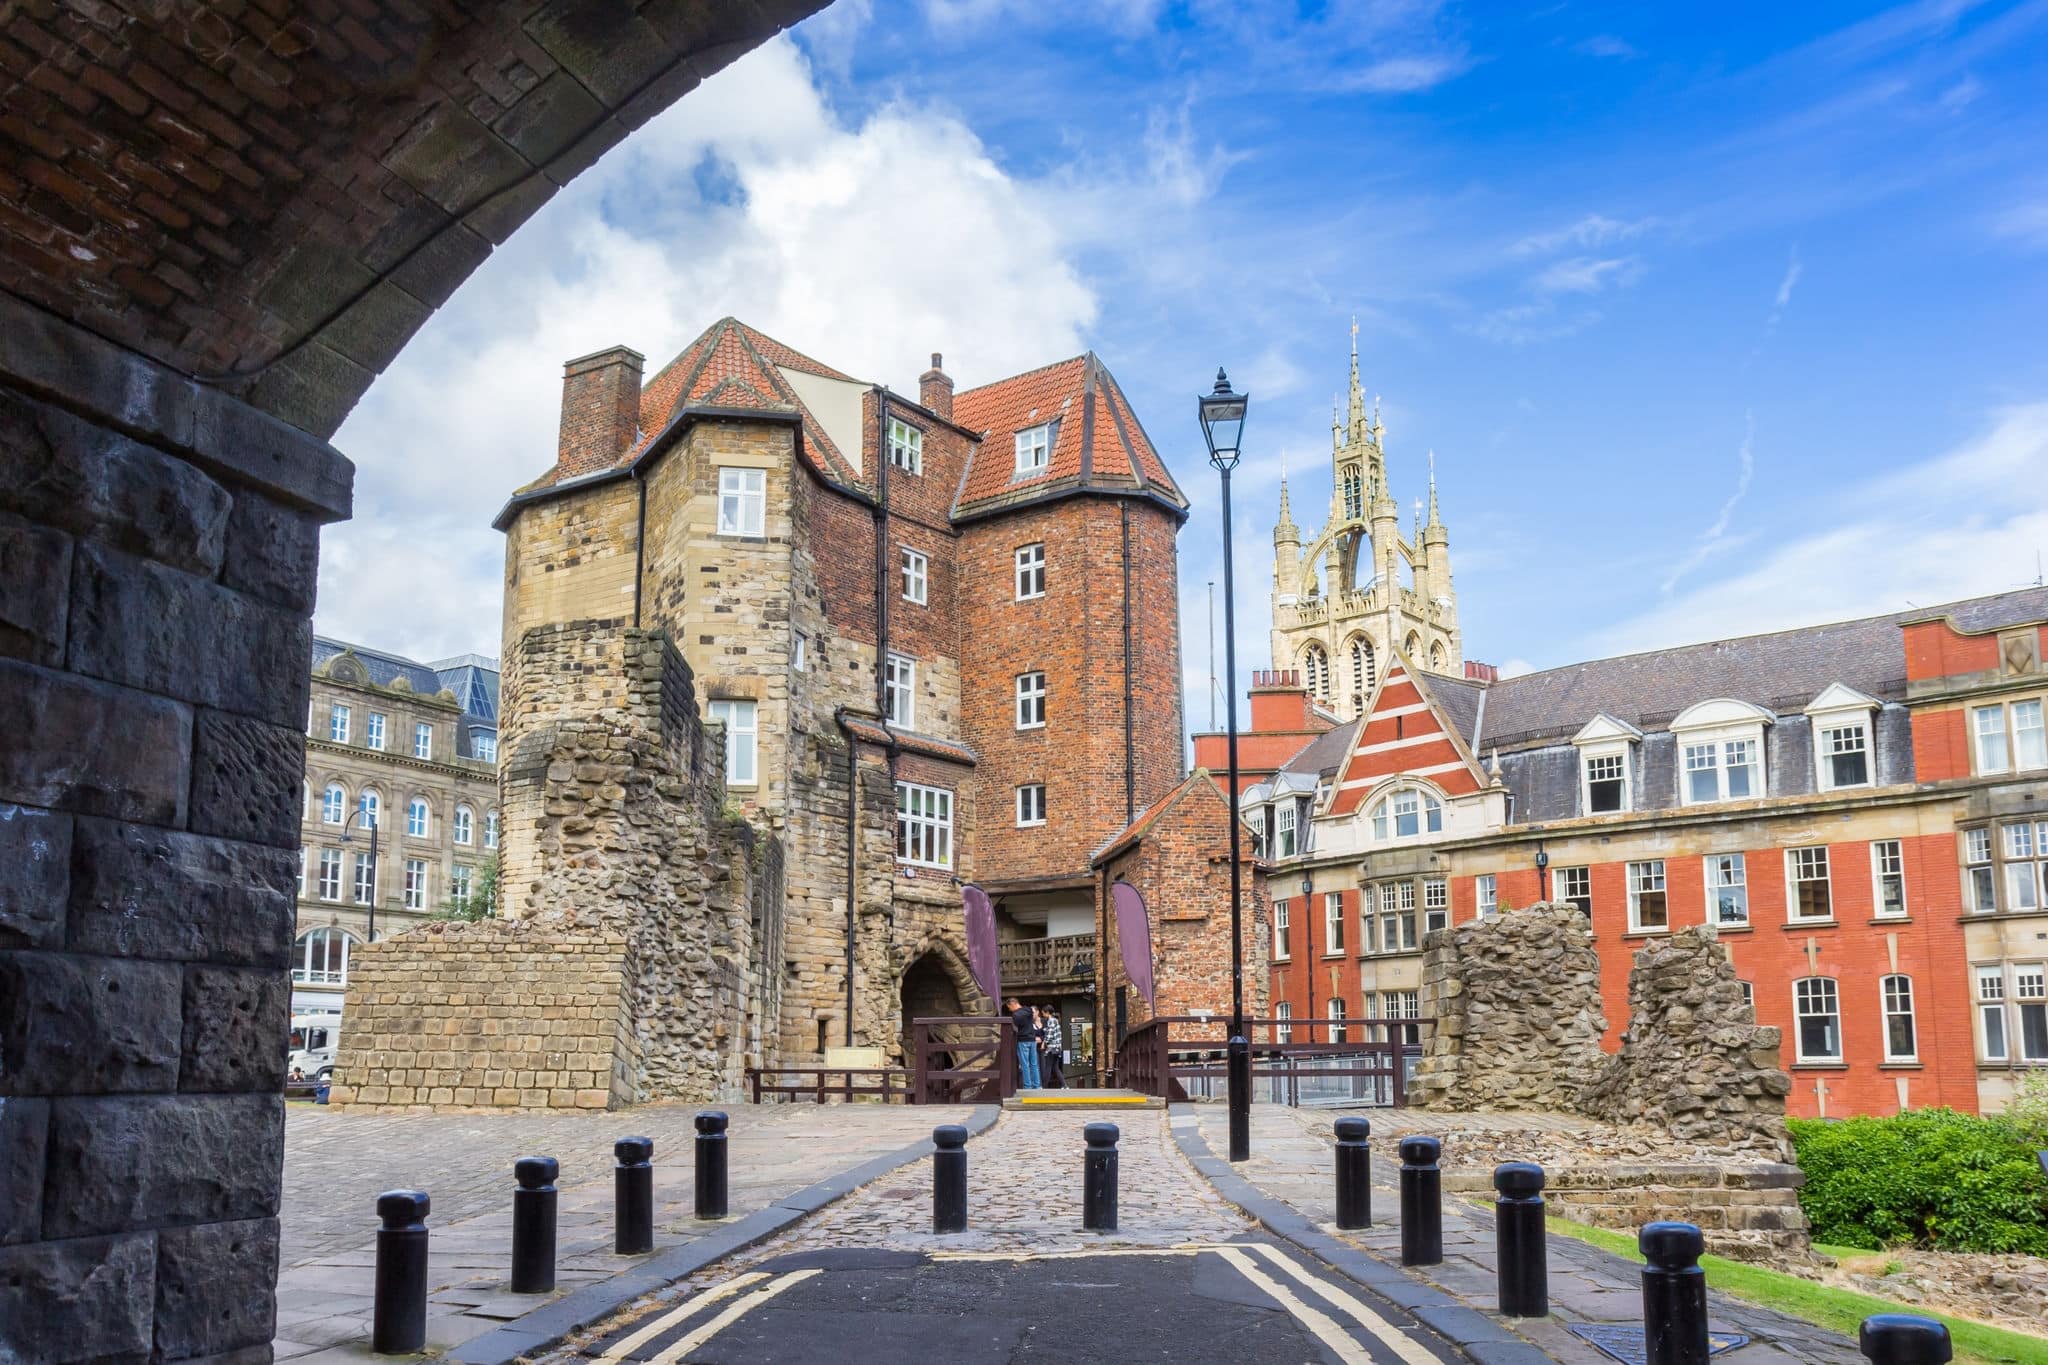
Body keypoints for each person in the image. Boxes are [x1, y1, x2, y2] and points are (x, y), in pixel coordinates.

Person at [1007, 996, 1040, 1089]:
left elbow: (1015, 1027)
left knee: (1025, 1064)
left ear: (1012, 1004)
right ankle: (1037, 1085)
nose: (1010, 1010)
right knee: (1034, 1064)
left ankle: (1027, 1086)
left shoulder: (1015, 1015)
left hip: (1022, 1040)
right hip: (1032, 1039)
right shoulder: (1028, 1010)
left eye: (1009, 1007)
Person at [1040, 1006, 1065, 1089]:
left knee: (1048, 1067)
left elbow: (1049, 1035)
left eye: (1043, 1012)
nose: (1042, 1014)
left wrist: (1044, 1043)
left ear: (1047, 1012)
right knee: (1055, 1067)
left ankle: (1044, 1086)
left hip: (1052, 1048)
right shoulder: (1055, 1020)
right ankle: (1064, 1085)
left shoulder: (1051, 1021)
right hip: (1057, 1048)